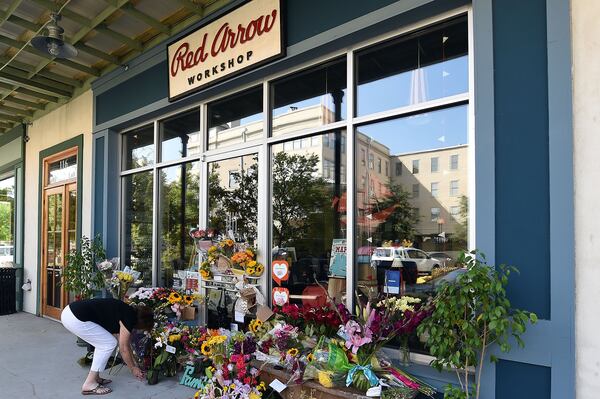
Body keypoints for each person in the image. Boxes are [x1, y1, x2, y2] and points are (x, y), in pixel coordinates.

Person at [61, 298, 154, 396]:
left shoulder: (127, 311)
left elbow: (125, 344)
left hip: (70, 312)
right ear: (142, 323)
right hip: (75, 318)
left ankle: (95, 378)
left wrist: (134, 365)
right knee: (108, 344)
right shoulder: (129, 318)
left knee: (104, 343)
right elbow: (123, 348)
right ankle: (89, 383)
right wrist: (133, 368)